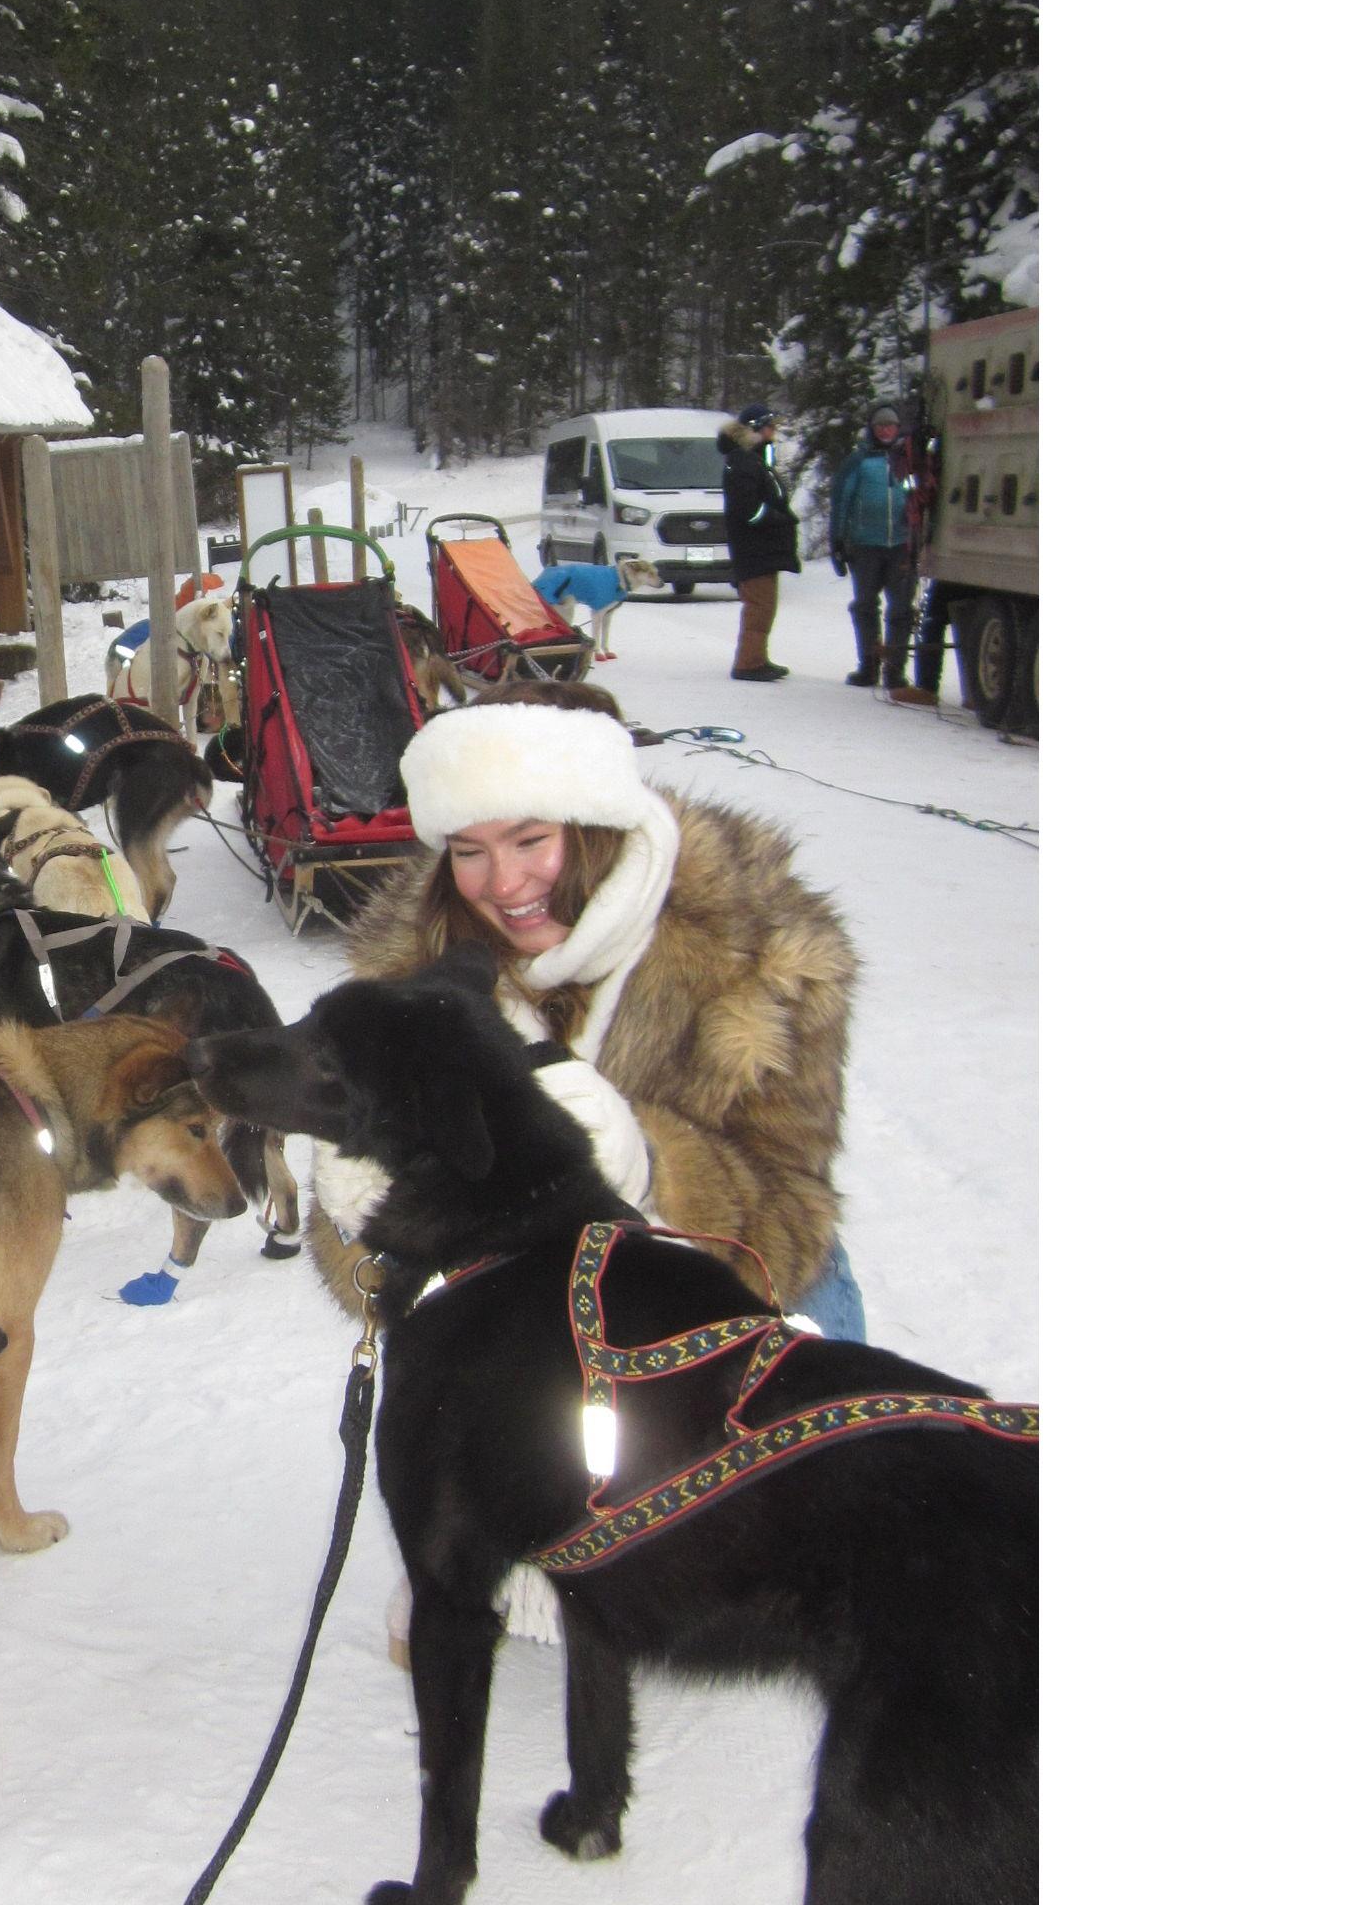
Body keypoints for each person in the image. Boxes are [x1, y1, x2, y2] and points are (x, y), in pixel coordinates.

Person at [311, 682, 864, 1337]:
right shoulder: (412, 973)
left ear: (594, 825)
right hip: (534, 1341)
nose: (504, 883)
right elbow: (377, 1284)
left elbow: (794, 1220)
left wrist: (656, 1166)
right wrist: (367, 1223)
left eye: (529, 840)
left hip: (745, 1325)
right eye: (468, 851)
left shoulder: (761, 959)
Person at [830, 404, 922, 690]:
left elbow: (923, 499)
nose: (885, 429)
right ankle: (868, 667)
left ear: (898, 428)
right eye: (880, 425)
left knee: (901, 610)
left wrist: (920, 540)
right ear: (872, 428)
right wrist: (838, 541)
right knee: (865, 606)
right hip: (864, 545)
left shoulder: (909, 461)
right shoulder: (858, 461)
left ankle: (894, 671)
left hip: (902, 546)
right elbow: (841, 502)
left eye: (891, 425)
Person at [717, 404, 797, 682]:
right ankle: (748, 663)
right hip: (754, 550)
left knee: (765, 606)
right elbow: (747, 508)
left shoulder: (755, 459)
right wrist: (776, 518)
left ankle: (756, 657)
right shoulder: (743, 462)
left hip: (762, 549)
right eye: (768, 427)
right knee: (759, 606)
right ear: (754, 429)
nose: (773, 432)